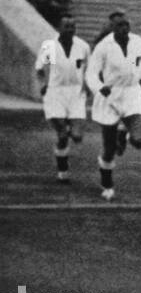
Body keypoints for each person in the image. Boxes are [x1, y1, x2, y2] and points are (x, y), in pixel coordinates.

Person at [85, 11, 141, 201]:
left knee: (139, 141)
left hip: (132, 93)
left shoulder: (139, 43)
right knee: (109, 149)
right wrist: (99, 87)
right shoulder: (103, 47)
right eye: (119, 25)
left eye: (126, 24)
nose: (124, 28)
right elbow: (91, 74)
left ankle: (124, 131)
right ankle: (107, 184)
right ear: (112, 27)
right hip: (110, 95)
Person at [34, 15, 91, 183]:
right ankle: (63, 170)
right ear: (59, 27)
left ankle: (69, 132)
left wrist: (88, 84)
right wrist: (43, 84)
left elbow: (89, 67)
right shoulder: (50, 46)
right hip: (55, 91)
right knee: (62, 135)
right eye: (67, 26)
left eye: (73, 26)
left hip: (76, 93)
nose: (70, 30)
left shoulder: (83, 46)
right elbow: (39, 68)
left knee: (77, 136)